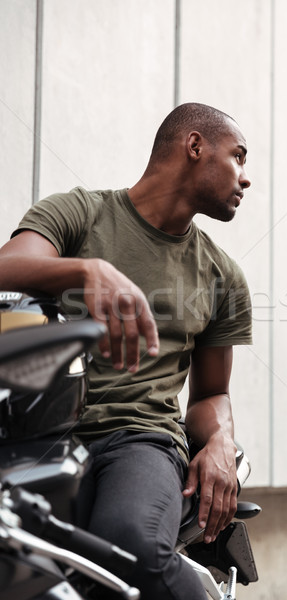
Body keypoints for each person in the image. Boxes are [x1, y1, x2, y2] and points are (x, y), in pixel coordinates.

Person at [0, 102, 252, 599]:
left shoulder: (223, 275)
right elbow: (6, 268)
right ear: (195, 146)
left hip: (138, 439)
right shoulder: (79, 212)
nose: (245, 179)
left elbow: (211, 394)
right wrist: (85, 270)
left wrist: (221, 439)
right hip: (37, 433)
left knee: (130, 548)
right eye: (239, 158)